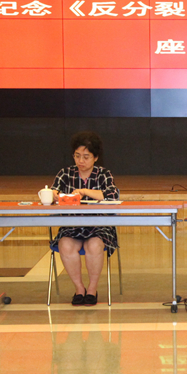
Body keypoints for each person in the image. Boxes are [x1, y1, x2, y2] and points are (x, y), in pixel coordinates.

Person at [50, 131, 119, 306]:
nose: (81, 161)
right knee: (65, 245)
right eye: (77, 156)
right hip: (71, 225)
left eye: (86, 157)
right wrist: (54, 195)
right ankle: (79, 289)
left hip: (99, 226)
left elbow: (113, 195)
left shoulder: (103, 174)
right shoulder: (66, 173)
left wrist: (85, 192)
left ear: (95, 158)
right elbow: (53, 192)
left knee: (94, 246)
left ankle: (92, 289)